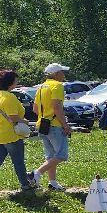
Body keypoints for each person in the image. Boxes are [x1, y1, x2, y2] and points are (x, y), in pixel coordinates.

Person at [32, 62, 72, 191]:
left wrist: (45, 117)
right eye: (62, 72)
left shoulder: (41, 87)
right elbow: (57, 107)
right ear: (56, 74)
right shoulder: (57, 86)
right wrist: (65, 125)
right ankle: (36, 174)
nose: (63, 74)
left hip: (42, 124)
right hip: (54, 125)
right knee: (61, 155)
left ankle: (52, 182)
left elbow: (35, 109)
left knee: (51, 156)